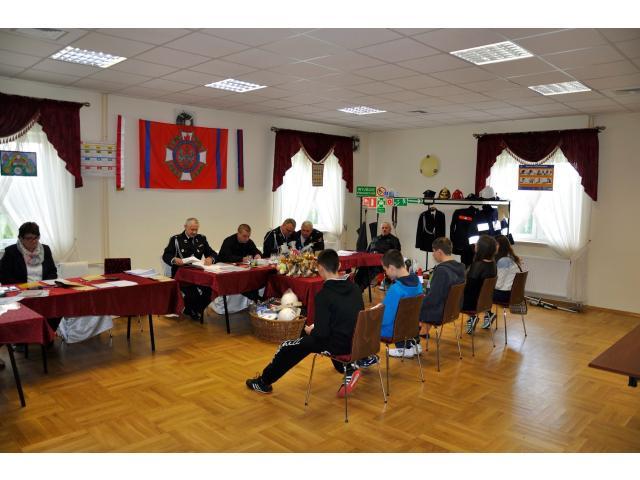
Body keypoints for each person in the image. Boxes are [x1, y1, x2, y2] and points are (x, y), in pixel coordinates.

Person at [246, 249, 364, 397]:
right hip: (356, 342)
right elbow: (349, 316)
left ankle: (263, 382)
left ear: (320, 268)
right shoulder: (355, 288)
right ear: (339, 265)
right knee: (313, 337)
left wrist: (311, 331)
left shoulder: (324, 295)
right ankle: (348, 368)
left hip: (336, 344)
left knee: (287, 346)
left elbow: (321, 334)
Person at [0, 222, 61, 334]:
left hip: (43, 290)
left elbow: (52, 271)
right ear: (20, 238)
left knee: (59, 306)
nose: (33, 241)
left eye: (36, 238)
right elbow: (5, 277)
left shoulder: (45, 249)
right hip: (21, 293)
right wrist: (26, 287)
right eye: (29, 238)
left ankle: (48, 334)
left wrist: (43, 285)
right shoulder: (11, 252)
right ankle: (26, 337)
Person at [162, 217, 217, 321]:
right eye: (192, 229)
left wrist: (211, 258)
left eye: (196, 229)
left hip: (198, 274)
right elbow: (166, 255)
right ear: (185, 227)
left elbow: (212, 253)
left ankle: (194, 309)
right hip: (182, 275)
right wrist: (174, 260)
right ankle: (193, 310)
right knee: (193, 294)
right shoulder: (176, 239)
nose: (194, 232)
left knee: (212, 289)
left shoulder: (201, 238)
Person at [374, 249, 424, 361]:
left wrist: (376, 313)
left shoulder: (396, 289)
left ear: (392, 268)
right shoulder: (418, 283)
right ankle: (412, 344)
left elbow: (386, 319)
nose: (386, 273)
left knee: (364, 324)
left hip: (395, 331)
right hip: (411, 328)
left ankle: (403, 348)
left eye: (385, 270)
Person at [419, 237, 466, 337]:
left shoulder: (442, 271)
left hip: (440, 313)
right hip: (453, 310)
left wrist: (418, 303)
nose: (433, 254)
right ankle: (423, 331)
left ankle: (414, 337)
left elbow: (433, 298)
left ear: (439, 252)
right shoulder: (461, 267)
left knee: (410, 306)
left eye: (433, 251)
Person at [487, 235, 526, 328]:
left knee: (480, 293)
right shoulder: (510, 257)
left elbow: (498, 285)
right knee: (484, 291)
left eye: (494, 245)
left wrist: (487, 284)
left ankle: (486, 316)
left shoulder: (503, 261)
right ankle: (487, 315)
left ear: (499, 246)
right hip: (513, 295)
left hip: (505, 295)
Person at [463, 235, 498, 334]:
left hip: (472, 303)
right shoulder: (493, 264)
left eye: (477, 243)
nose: (475, 244)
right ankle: (487, 314)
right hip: (485, 302)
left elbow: (469, 287)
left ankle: (472, 317)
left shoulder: (477, 266)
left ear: (481, 248)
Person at [355, 222, 402, 291]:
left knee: (369, 271)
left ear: (390, 229)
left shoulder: (394, 240)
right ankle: (354, 286)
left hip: (382, 263)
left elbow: (396, 255)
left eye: (386, 228)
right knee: (362, 269)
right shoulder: (375, 239)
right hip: (370, 261)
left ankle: (359, 289)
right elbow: (367, 251)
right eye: (383, 228)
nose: (384, 229)